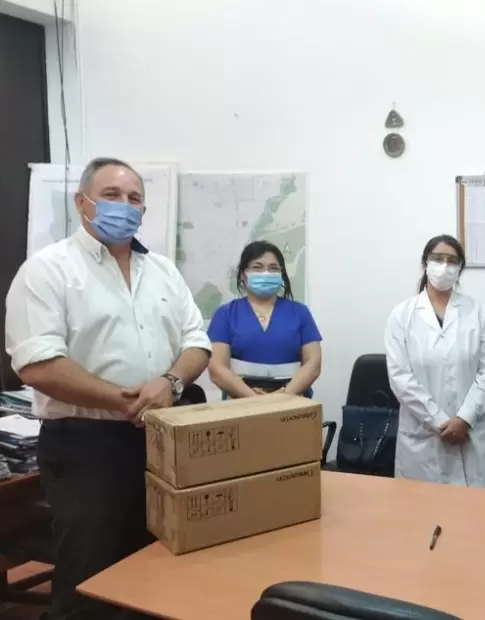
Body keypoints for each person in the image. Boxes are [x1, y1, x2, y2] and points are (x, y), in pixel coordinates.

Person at [4, 157, 211, 619]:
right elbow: (37, 364)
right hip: (85, 446)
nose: (125, 205)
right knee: (91, 574)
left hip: (160, 439)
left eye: (135, 198)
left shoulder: (163, 271)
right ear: (82, 203)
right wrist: (126, 401)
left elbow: (197, 341)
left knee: (155, 562)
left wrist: (170, 382)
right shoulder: (48, 270)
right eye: (112, 195)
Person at [384, 234, 485, 488]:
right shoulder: (402, 315)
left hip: (471, 433)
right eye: (438, 259)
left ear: (460, 268)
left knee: (476, 510)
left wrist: (464, 419)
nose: (444, 266)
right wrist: (439, 421)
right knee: (423, 509)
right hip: (424, 439)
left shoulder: (477, 312)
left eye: (452, 261)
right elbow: (400, 377)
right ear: (425, 263)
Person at [207, 241, 322, 398]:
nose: (266, 273)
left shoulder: (300, 312)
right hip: (240, 403)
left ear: (281, 274)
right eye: (257, 267)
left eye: (273, 268)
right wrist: (254, 399)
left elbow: (313, 363)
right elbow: (217, 368)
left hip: (293, 401)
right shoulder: (225, 314)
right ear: (243, 274)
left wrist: (284, 396)